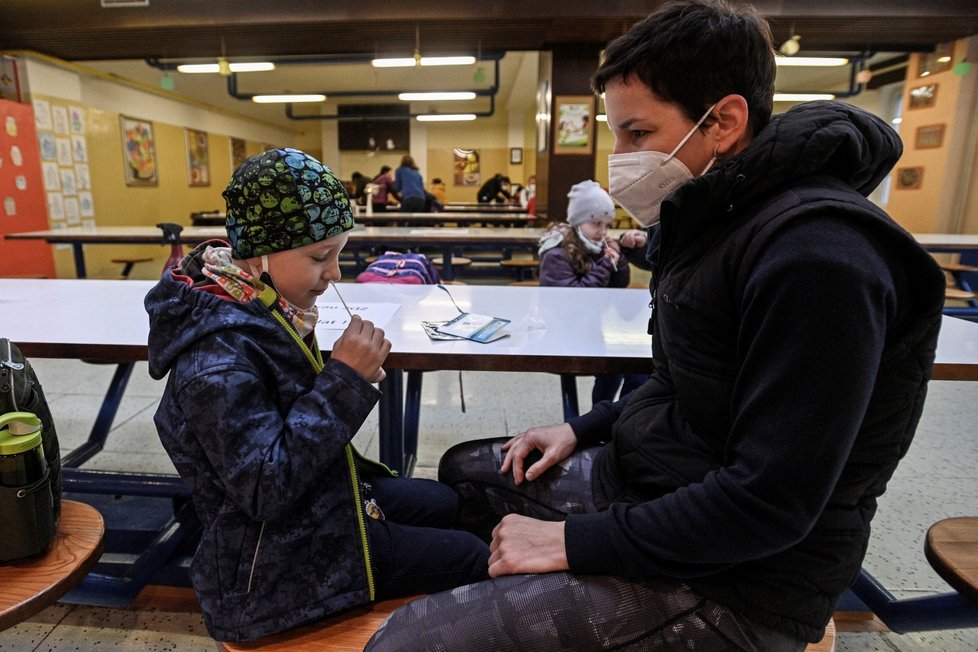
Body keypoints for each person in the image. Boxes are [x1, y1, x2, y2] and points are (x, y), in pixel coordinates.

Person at [364, 1, 946, 650]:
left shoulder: (818, 255)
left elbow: (769, 504)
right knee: (470, 474)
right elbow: (683, 382)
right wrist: (577, 428)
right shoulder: (721, 219)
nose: (620, 158)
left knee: (403, 643)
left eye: (637, 134)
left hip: (745, 582)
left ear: (723, 121)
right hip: (666, 480)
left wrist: (571, 544)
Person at [144, 148, 490, 643]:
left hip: (311, 504)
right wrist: (344, 379)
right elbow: (265, 487)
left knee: (442, 501)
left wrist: (336, 378)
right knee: (471, 556)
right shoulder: (215, 362)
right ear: (261, 252)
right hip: (273, 564)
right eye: (319, 257)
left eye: (339, 253)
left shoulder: (254, 300)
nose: (335, 273)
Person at [537, 179, 646, 404]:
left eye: (607, 225)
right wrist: (605, 265)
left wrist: (619, 260)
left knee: (639, 374)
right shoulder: (557, 254)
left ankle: (609, 418)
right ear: (578, 221)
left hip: (593, 329)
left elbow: (618, 287)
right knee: (619, 372)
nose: (602, 232)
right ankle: (603, 419)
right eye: (596, 224)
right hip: (564, 335)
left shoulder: (596, 247)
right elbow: (575, 299)